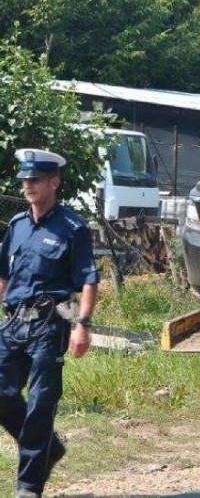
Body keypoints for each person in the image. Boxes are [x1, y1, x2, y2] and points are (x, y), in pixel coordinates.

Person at [0, 149, 99, 498]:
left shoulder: (72, 228)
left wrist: (82, 325)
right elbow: (4, 277)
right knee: (3, 393)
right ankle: (49, 449)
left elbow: (88, 279)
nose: (29, 186)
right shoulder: (17, 226)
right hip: (13, 324)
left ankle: (29, 486)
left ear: (54, 181)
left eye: (36, 180)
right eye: (25, 180)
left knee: (42, 403)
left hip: (50, 324)